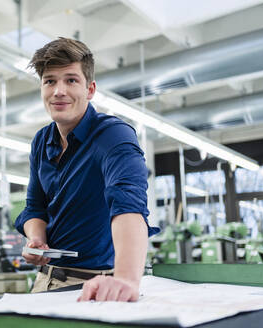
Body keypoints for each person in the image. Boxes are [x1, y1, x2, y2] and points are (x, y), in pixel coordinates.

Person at [14, 37, 159, 302]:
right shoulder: (40, 141)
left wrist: (126, 279)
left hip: (97, 286)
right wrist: (36, 241)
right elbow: (35, 207)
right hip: (46, 281)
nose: (59, 90)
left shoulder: (113, 135)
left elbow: (128, 202)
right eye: (50, 81)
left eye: (71, 80)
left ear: (90, 89)